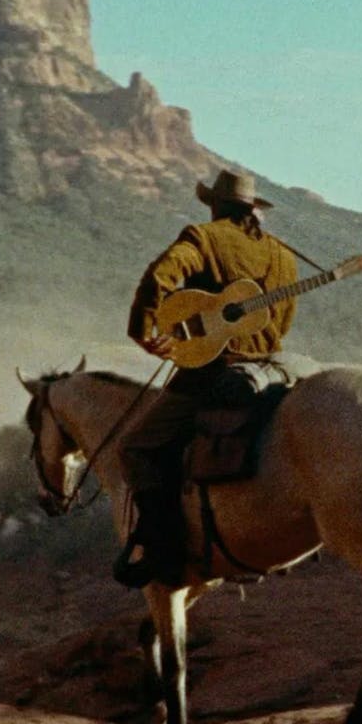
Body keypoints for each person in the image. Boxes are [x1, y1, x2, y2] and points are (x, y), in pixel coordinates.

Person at [114, 169, 300, 588]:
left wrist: (145, 332)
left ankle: (164, 551)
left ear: (215, 205)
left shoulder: (203, 237)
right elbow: (282, 323)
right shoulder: (283, 257)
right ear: (253, 209)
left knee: (136, 449)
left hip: (213, 372)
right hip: (269, 369)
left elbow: (160, 276)